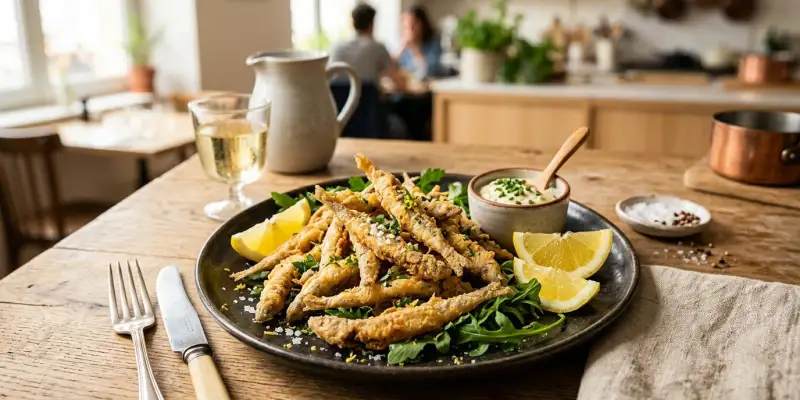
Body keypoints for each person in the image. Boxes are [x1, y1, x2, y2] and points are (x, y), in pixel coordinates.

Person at [329, 3, 406, 89]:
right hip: (370, 101)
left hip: (341, 101)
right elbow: (398, 82)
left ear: (353, 23)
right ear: (371, 24)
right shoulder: (378, 48)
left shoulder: (337, 47)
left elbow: (329, 78)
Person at [397, 5, 443, 79]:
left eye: (412, 26)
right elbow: (394, 69)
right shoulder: (404, 47)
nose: (409, 31)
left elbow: (428, 71)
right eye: (405, 27)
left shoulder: (433, 43)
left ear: (421, 24)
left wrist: (413, 48)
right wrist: (401, 50)